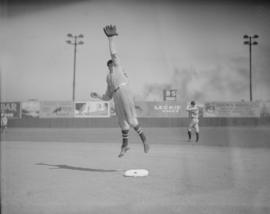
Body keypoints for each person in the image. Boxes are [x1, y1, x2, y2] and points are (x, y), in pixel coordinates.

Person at [91, 25, 150, 158]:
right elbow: (108, 96)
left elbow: (113, 54)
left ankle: (145, 140)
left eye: (112, 62)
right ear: (108, 66)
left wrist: (111, 39)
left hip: (124, 90)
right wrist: (98, 96)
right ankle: (125, 145)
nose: (112, 63)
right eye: (109, 63)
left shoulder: (118, 67)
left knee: (131, 119)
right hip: (116, 95)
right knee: (122, 122)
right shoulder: (108, 77)